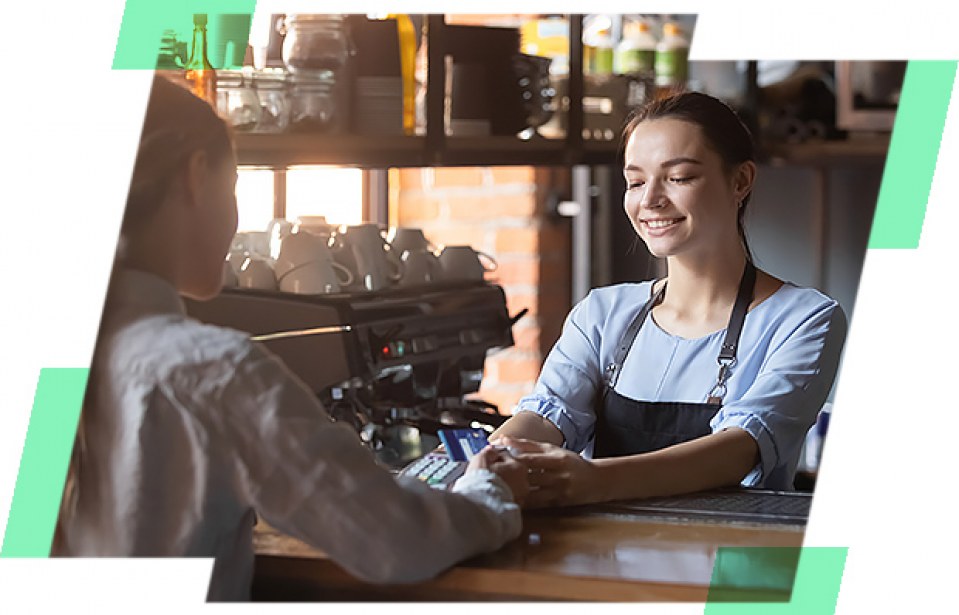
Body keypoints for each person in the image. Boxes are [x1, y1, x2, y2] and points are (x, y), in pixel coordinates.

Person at [52, 76, 528, 601]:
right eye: (233, 187)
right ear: (195, 177)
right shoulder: (213, 372)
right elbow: (396, 538)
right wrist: (488, 491)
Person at [490, 91, 847, 509]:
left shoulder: (805, 319)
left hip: (729, 565)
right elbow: (550, 413)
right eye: (636, 182)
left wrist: (595, 480)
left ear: (741, 181)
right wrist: (496, 453)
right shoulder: (602, 315)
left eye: (678, 178)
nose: (650, 200)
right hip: (604, 558)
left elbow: (740, 448)